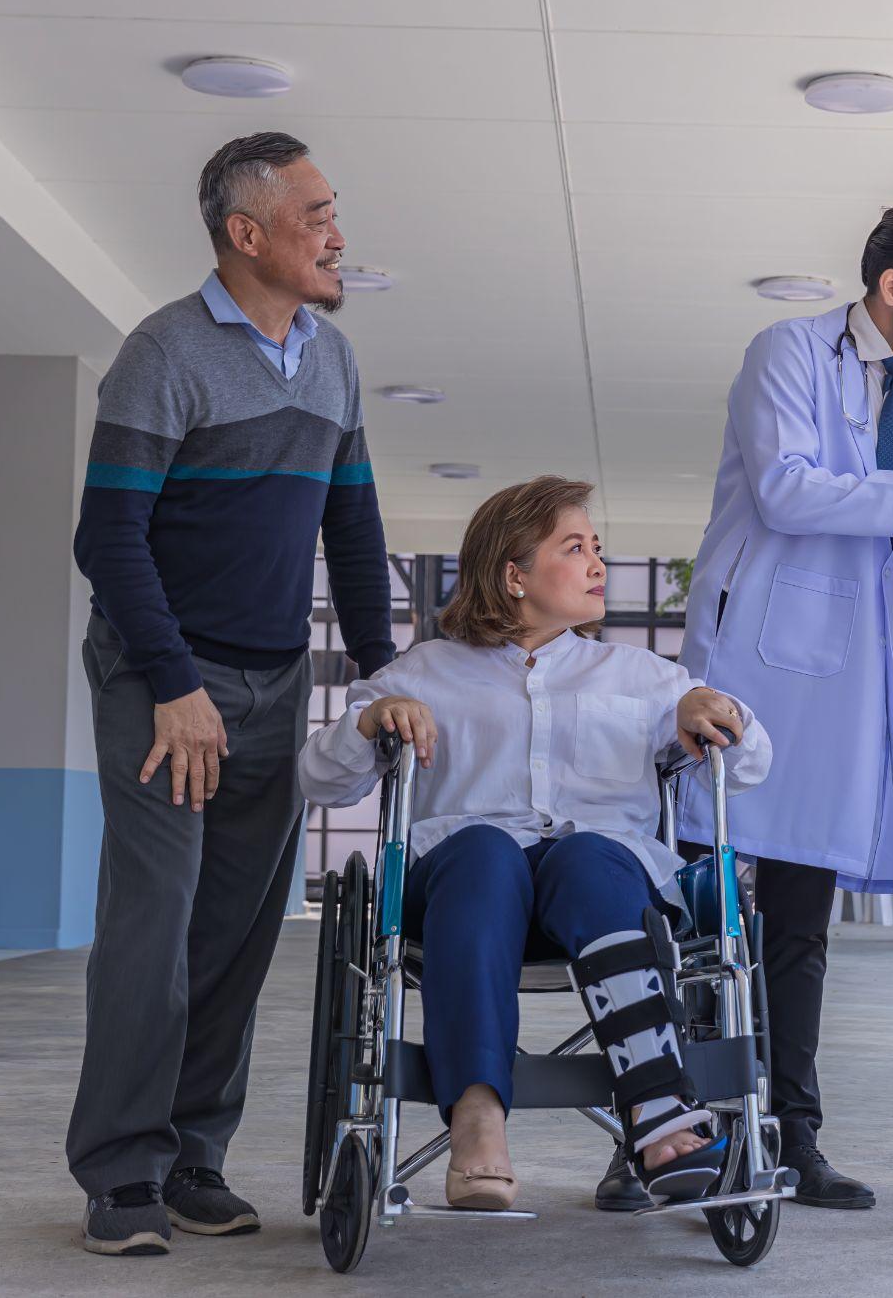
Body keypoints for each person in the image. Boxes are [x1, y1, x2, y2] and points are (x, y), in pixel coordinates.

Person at [68, 132, 393, 1256]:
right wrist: (170, 684)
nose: (338, 234)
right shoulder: (164, 350)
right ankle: (119, 1173)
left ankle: (192, 1158)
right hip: (166, 679)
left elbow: (350, 526)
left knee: (240, 932)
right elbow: (106, 534)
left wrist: (383, 676)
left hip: (272, 678)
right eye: (316, 216)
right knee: (153, 930)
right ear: (246, 235)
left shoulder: (332, 359)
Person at [299, 477, 772, 1212]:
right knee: (486, 849)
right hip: (463, 894)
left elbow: (749, 763)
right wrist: (371, 719)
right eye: (574, 547)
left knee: (589, 854)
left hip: (597, 889)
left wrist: (717, 709)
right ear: (513, 574)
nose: (597, 564)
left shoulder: (645, 679)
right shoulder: (424, 671)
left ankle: (653, 1106)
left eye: (598, 548)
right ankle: (478, 1116)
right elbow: (320, 779)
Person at [677, 200, 893, 1209]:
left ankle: (794, 1135)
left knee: (798, 929)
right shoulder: (785, 352)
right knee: (707, 924)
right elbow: (787, 491)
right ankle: (679, 1133)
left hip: (850, 688)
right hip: (754, 670)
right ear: (891, 289)